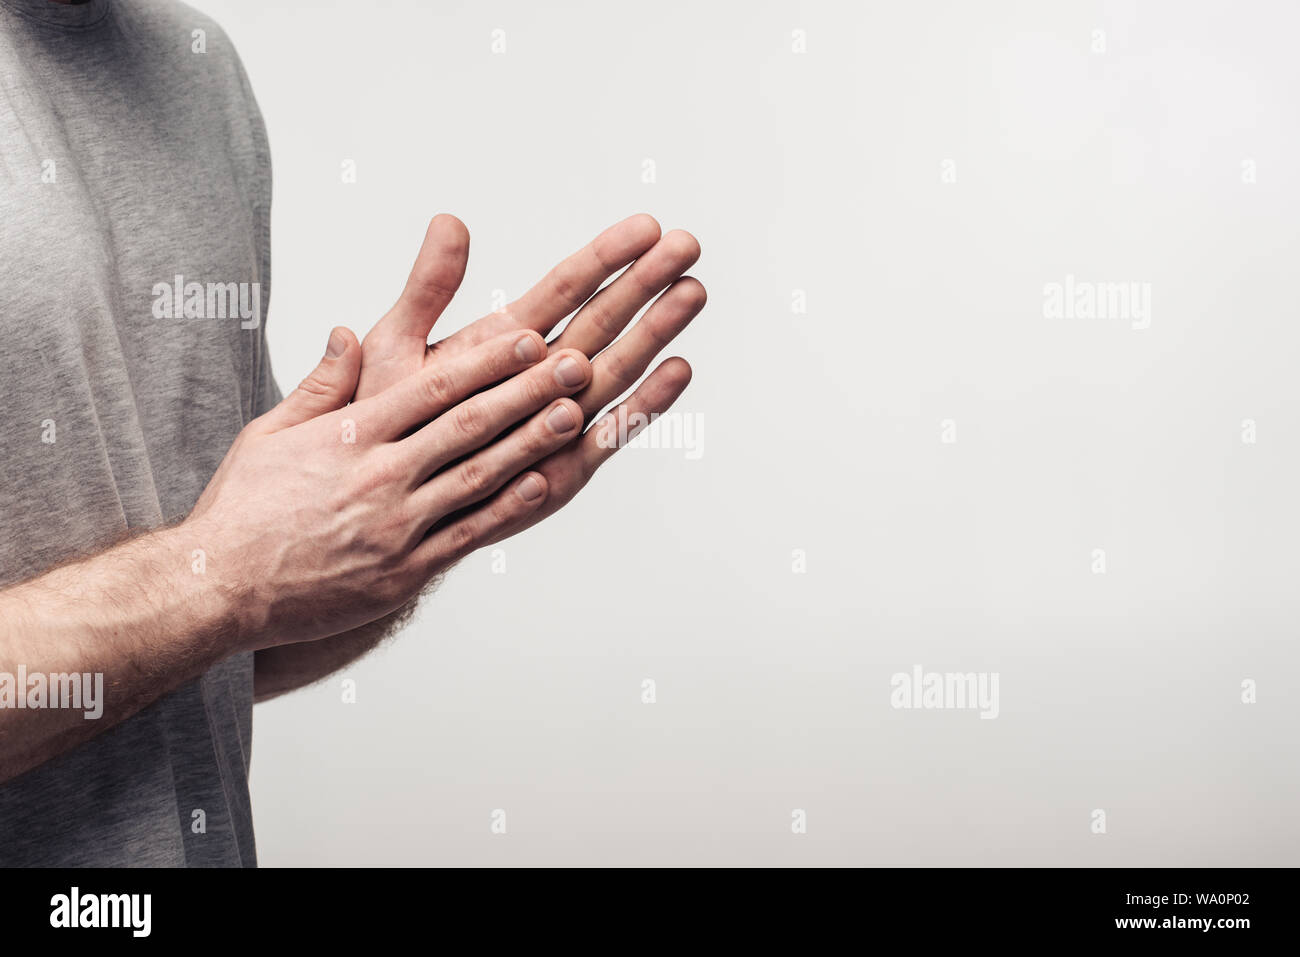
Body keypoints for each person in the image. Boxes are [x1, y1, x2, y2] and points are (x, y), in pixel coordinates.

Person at [0, 0, 706, 866]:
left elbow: (204, 654)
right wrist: (227, 573)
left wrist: (420, 494)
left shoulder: (196, 73)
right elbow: (221, 582)